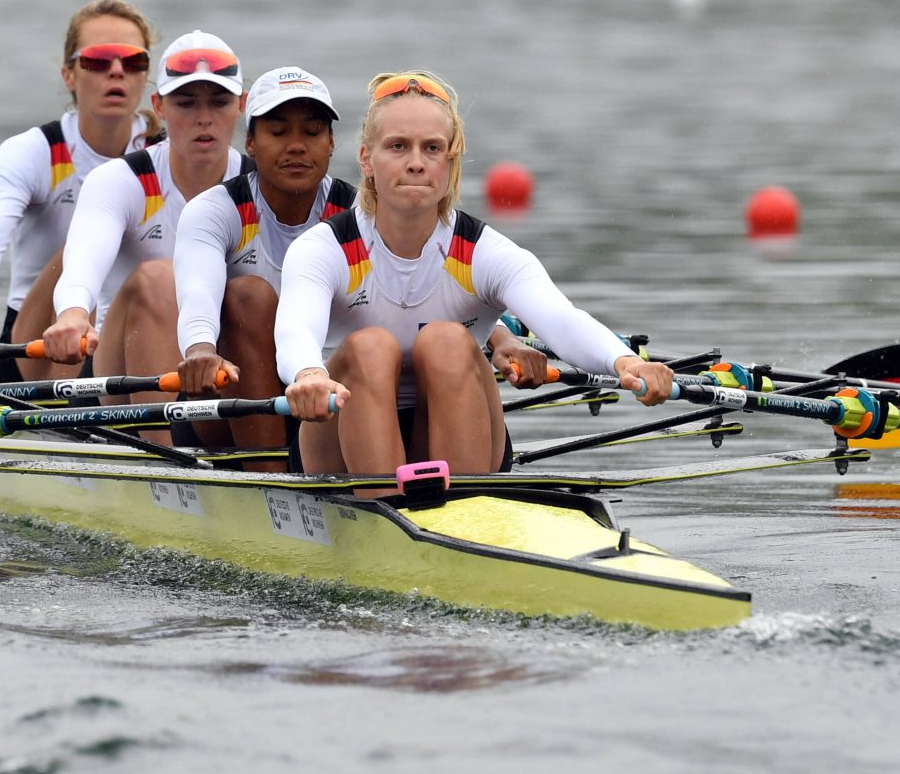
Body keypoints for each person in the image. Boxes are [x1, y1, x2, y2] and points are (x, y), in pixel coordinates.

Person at [276, 71, 676, 476]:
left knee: (447, 338)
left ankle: (463, 510)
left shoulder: (484, 252)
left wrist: (625, 362)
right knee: (370, 346)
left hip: (453, 428)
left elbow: (561, 320)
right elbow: (296, 329)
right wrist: (308, 373)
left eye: (431, 148)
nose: (416, 163)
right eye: (398, 147)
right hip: (342, 443)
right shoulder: (323, 249)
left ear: (450, 159)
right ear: (366, 157)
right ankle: (381, 505)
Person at [0, 0, 156, 379]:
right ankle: (63, 419)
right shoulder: (33, 152)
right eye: (98, 60)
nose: (117, 71)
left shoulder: (166, 157)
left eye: (133, 61)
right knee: (82, 249)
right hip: (34, 348)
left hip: (127, 337)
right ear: (69, 74)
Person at [40, 30, 246, 383]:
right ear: (159, 107)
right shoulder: (119, 180)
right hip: (119, 366)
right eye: (186, 103)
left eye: (219, 102)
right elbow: (84, 259)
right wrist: (73, 313)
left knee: (252, 296)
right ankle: (163, 439)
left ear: (241, 105)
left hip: (227, 369)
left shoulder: (259, 186)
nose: (204, 118)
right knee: (160, 277)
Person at [171, 65, 355, 458]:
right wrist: (200, 349)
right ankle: (269, 479)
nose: (297, 146)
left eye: (312, 132)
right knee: (249, 295)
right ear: (251, 143)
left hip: (330, 397)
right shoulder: (215, 211)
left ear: (331, 142)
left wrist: (497, 335)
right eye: (278, 132)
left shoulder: (358, 213)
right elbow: (198, 293)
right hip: (233, 404)